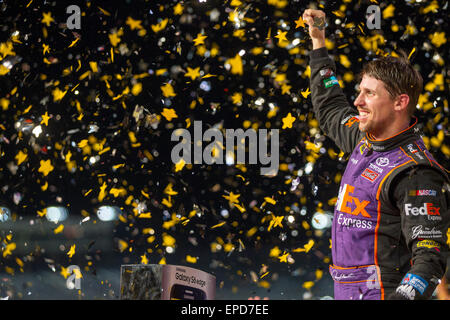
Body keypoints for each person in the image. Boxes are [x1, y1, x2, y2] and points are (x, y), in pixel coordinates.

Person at [302, 9, 449, 300]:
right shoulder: (363, 138)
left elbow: (430, 258)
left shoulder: (415, 172)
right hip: (345, 290)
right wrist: (318, 42)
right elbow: (331, 106)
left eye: (369, 94)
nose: (357, 101)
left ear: (400, 102)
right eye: (359, 92)